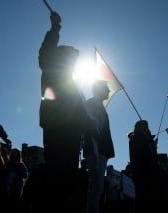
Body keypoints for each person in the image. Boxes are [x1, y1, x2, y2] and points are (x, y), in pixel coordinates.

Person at [38, 11, 91, 212]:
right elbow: (45, 53)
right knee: (55, 175)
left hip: (72, 135)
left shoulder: (73, 85)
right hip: (56, 130)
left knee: (67, 176)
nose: (74, 63)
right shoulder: (51, 70)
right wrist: (55, 29)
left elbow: (81, 112)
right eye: (72, 59)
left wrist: (86, 126)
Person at [84, 81, 115, 213]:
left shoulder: (97, 105)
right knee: (96, 188)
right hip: (97, 150)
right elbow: (91, 128)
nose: (108, 91)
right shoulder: (92, 104)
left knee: (98, 188)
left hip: (100, 150)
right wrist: (96, 150)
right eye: (106, 89)